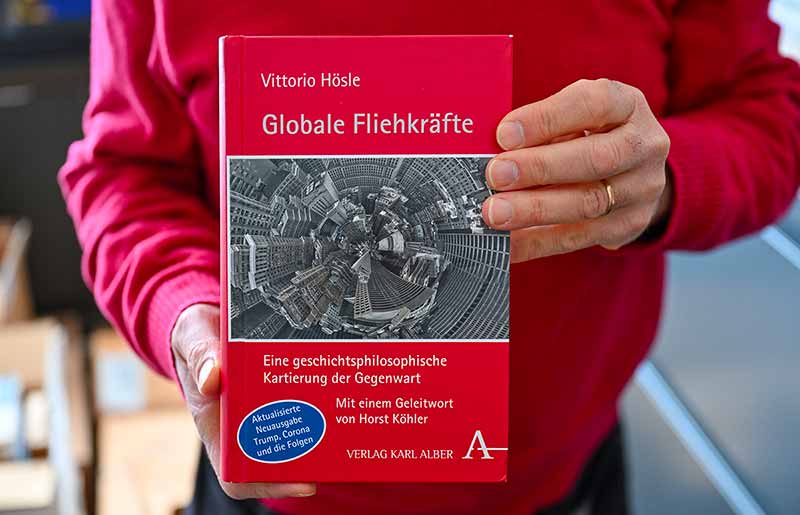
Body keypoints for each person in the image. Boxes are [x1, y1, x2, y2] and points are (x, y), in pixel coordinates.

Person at [59, 1, 800, 514]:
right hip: (280, 482)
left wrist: (664, 178)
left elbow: (766, 111)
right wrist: (185, 308)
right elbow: (123, 173)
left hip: (562, 483)